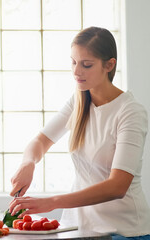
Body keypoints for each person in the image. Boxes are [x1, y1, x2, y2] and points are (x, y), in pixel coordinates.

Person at [8, 26, 150, 239]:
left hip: (124, 231)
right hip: (80, 229)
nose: (76, 71)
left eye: (86, 65)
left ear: (109, 65)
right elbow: (40, 141)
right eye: (73, 62)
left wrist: (52, 202)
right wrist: (28, 163)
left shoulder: (130, 112)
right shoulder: (79, 101)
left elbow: (117, 186)